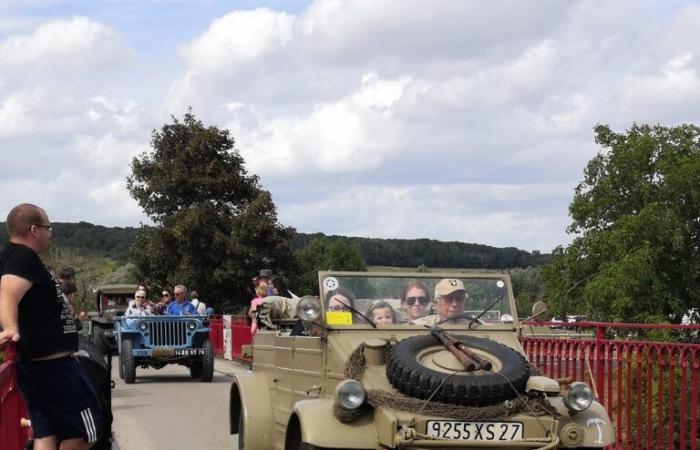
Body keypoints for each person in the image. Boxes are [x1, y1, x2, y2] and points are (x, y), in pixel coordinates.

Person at [0, 203, 102, 449]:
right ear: (34, 230)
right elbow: (7, 294)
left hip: (39, 366)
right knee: (85, 432)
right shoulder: (22, 256)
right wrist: (11, 327)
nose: (51, 233)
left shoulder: (15, 257)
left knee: (46, 433)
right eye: (48, 227)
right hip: (53, 367)